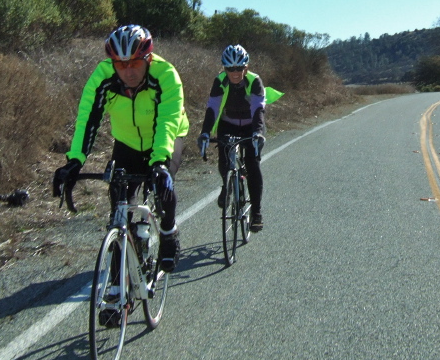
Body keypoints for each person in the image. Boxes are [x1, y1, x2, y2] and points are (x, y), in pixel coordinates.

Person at [52, 25, 189, 271]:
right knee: (119, 208)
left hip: (166, 138)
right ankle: (116, 285)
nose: (129, 72)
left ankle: (168, 231)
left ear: (148, 59)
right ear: (112, 62)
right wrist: (74, 161)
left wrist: (159, 163)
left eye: (135, 63)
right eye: (121, 65)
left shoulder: (166, 74)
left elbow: (168, 122)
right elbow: (88, 119)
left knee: (163, 188)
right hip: (127, 143)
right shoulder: (103, 77)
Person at [198, 44, 278, 232]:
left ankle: (256, 212)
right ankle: (227, 186)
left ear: (246, 67)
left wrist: (258, 133)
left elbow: (259, 109)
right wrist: (205, 133)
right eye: (230, 69)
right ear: (224, 69)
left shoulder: (255, 81)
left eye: (239, 68)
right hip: (228, 123)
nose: (235, 73)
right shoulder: (219, 82)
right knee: (224, 161)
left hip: (252, 126)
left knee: (252, 164)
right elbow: (212, 108)